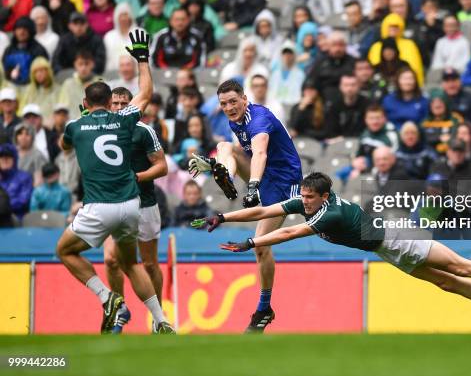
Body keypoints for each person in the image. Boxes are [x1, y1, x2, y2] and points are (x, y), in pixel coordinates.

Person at [193, 172, 471, 333]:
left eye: (311, 198)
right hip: (387, 249)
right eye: (304, 197)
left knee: (460, 267)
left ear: (325, 197)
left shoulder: (330, 212)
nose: (305, 202)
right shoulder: (307, 200)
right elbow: (264, 212)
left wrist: (251, 243)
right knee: (447, 283)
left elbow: (291, 231)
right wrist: (223, 216)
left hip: (395, 236)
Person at [55, 29, 174, 334]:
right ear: (110, 103)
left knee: (65, 250)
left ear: (84, 102)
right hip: (130, 206)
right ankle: (161, 322)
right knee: (130, 263)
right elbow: (146, 93)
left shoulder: (75, 125)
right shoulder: (123, 120)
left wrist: (76, 136)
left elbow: (64, 146)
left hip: (99, 206)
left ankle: (108, 298)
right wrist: (143, 60)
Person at [187, 79, 302, 332]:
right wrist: (221, 165)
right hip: (265, 177)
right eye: (223, 104)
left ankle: (264, 308)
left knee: (260, 246)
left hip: (283, 183)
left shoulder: (259, 119)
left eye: (233, 102)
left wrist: (252, 186)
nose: (229, 107)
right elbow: (243, 151)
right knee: (224, 146)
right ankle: (224, 175)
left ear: (244, 99)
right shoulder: (234, 121)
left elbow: (260, 153)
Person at [102, 86, 168, 327]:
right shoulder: (102, 132)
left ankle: (158, 318)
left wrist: (137, 177)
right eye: (115, 104)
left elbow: (162, 167)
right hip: (114, 203)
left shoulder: (143, 131)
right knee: (111, 260)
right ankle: (118, 310)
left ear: (133, 106)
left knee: (149, 264)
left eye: (123, 104)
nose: (119, 108)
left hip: (144, 204)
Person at [0, 141, 32, 222]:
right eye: (2, 156)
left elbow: (23, 200)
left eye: (9, 156)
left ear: (14, 159)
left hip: (16, 219)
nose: (5, 159)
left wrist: (4, 207)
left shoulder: (24, 177)